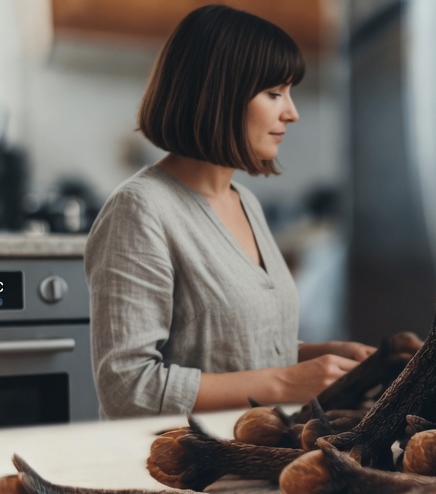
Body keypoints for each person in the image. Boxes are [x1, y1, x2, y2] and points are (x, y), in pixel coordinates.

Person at [85, 5, 372, 419]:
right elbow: (128, 388)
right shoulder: (139, 211)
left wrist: (322, 355)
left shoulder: (246, 203)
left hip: (254, 457)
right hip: (176, 471)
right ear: (220, 94)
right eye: (274, 93)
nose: (291, 112)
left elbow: (229, 350)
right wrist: (288, 383)